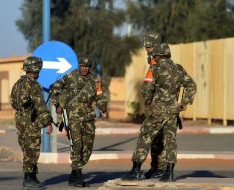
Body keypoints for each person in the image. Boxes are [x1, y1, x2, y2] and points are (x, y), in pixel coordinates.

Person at [124, 43, 197, 182]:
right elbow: (191, 85)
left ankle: (135, 171)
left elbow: (146, 89)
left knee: (145, 137)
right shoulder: (178, 69)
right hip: (173, 111)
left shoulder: (155, 68)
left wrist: (149, 102)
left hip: (157, 111)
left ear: (158, 56)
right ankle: (168, 173)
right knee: (170, 141)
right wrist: (183, 103)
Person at [50, 55, 108, 187]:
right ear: (79, 66)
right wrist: (57, 104)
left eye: (86, 67)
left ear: (90, 68)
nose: (84, 69)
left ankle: (74, 173)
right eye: (82, 66)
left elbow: (99, 96)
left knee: (88, 147)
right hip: (73, 116)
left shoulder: (94, 81)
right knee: (77, 145)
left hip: (88, 116)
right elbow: (56, 88)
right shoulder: (71, 76)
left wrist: (103, 108)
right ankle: (77, 175)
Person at [10, 56, 53, 189]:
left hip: (20, 119)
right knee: (32, 149)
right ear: (36, 70)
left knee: (26, 147)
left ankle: (33, 177)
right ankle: (28, 179)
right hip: (31, 121)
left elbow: (13, 102)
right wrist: (48, 123)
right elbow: (41, 106)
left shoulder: (18, 83)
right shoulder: (33, 85)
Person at [142, 32, 167, 179]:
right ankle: (155, 166)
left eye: (150, 46)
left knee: (162, 137)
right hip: (154, 104)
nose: (147, 49)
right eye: (146, 46)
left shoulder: (162, 60)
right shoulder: (152, 60)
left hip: (162, 104)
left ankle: (162, 168)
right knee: (154, 138)